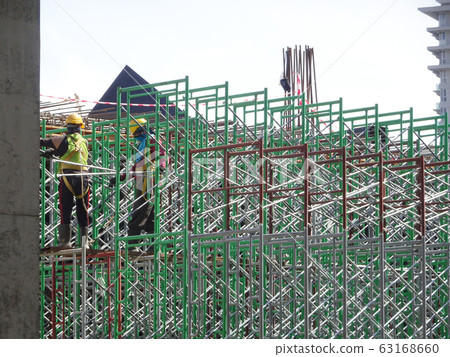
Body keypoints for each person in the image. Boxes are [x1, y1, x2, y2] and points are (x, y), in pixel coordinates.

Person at [110, 117, 165, 253]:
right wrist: (121, 177)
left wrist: (161, 167)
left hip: (150, 180)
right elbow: (136, 166)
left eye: (137, 135)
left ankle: (135, 244)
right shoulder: (143, 145)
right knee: (147, 213)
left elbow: (162, 155)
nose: (136, 138)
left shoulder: (153, 140)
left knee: (144, 211)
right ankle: (146, 245)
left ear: (144, 130)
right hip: (142, 180)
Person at [40, 113, 90, 249]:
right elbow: (70, 151)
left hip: (68, 177)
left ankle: (65, 241)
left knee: (65, 208)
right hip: (84, 178)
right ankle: (84, 242)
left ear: (68, 127)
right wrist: (53, 153)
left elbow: (43, 142)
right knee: (83, 209)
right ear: (80, 127)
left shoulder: (61, 140)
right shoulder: (85, 142)